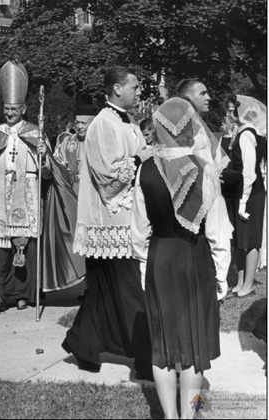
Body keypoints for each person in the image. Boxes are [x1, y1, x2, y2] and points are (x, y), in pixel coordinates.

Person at [131, 97, 231, 419]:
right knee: (194, 350)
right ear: (190, 128)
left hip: (160, 258)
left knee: (162, 347)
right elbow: (217, 232)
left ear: (159, 128)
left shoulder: (144, 170)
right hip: (194, 257)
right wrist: (222, 276)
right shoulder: (205, 169)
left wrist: (147, 267)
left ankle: (170, 418)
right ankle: (190, 416)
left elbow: (137, 232)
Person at [62, 66, 154, 380]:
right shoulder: (103, 124)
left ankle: (83, 345)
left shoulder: (126, 122)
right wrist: (142, 158)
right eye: (136, 86)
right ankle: (145, 360)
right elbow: (108, 179)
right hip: (110, 221)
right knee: (130, 290)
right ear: (117, 89)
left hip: (123, 217)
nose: (140, 91)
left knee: (101, 291)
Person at [0, 60, 50, 314]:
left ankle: (22, 294)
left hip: (27, 191)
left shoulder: (35, 132)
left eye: (14, 109)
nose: (9, 113)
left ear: (23, 108)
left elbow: (49, 172)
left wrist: (43, 155)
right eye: (6, 108)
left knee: (23, 245)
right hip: (0, 192)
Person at [223, 95, 266, 297]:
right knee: (238, 238)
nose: (230, 115)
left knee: (250, 238)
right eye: (228, 111)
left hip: (249, 192)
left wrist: (242, 203)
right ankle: (240, 282)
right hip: (237, 190)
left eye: (234, 111)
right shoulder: (236, 133)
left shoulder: (248, 134)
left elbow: (249, 172)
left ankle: (248, 284)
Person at [54, 100, 98, 194]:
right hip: (72, 195)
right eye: (77, 123)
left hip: (94, 193)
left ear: (93, 123)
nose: (79, 126)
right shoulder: (68, 142)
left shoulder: (101, 142)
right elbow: (56, 163)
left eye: (83, 123)